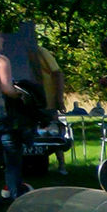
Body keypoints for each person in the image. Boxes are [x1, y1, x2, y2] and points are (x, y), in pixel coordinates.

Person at [0, 26, 24, 212]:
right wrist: (20, 93)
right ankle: (16, 200)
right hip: (3, 117)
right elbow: (6, 89)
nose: (2, 40)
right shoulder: (1, 61)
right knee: (12, 160)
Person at [34, 45, 68, 174]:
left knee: (54, 132)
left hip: (47, 102)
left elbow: (57, 73)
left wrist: (59, 99)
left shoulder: (41, 51)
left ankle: (62, 165)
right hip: (28, 103)